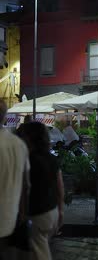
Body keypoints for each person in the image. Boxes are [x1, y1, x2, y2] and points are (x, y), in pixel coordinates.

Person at [17, 122, 65, 260]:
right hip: (52, 212)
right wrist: (61, 210)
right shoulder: (51, 158)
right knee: (40, 247)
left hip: (38, 214)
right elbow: (60, 187)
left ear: (30, 138)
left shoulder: (29, 160)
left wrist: (22, 212)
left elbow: (25, 189)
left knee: (40, 251)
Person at [0, 99, 31, 259]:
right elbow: (26, 184)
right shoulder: (18, 144)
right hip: (11, 218)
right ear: (5, 118)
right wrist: (24, 213)